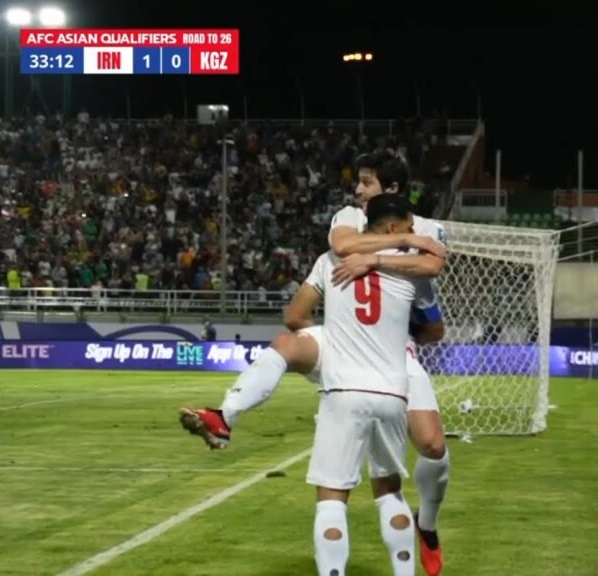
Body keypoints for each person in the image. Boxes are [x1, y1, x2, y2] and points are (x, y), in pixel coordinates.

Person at [180, 153, 449, 575]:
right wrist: (407, 248)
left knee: (428, 447)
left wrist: (374, 260)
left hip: (389, 357)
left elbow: (422, 284)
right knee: (291, 344)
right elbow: (418, 258)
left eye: (366, 183)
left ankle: (427, 525)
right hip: (384, 375)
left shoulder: (357, 252)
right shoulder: (377, 230)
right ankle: (225, 414)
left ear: (391, 191)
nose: (357, 191)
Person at [303, 194, 431, 575]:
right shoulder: (410, 269)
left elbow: (294, 313)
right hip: (393, 392)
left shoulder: (331, 261)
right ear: (392, 228)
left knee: (331, 499)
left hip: (343, 390)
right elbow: (437, 263)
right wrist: (411, 246)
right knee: (389, 492)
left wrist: (323, 341)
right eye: (409, 227)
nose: (413, 233)